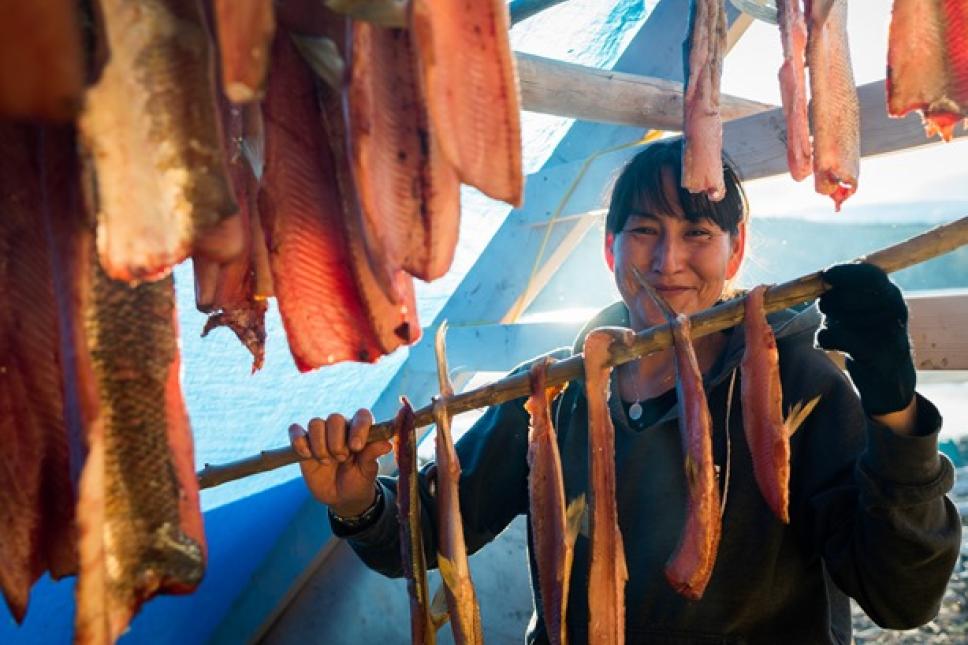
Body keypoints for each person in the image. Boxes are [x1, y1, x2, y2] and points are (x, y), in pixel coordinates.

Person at [289, 139, 961, 643]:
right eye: (644, 231)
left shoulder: (799, 383)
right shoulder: (553, 397)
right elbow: (427, 531)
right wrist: (358, 504)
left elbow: (902, 595)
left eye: (696, 233)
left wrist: (895, 414)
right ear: (610, 251)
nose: (667, 262)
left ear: (734, 250)